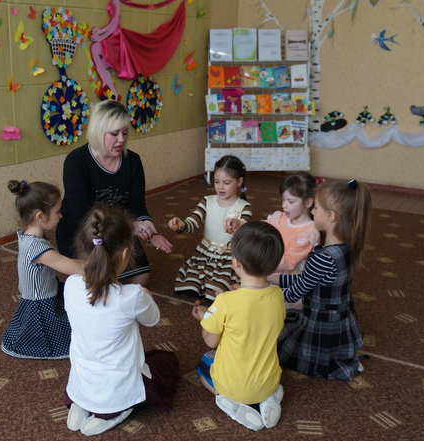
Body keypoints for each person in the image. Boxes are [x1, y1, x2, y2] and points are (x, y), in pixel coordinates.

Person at [64, 205, 179, 436]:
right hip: (116, 387)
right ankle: (114, 411)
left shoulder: (70, 284)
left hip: (82, 380)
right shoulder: (131, 296)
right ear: (126, 254)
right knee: (167, 362)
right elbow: (153, 319)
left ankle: (81, 403)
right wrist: (146, 296)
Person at [56, 99, 172, 285]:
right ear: (98, 131)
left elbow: (137, 204)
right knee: (98, 281)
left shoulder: (133, 161)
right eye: (114, 134)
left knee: (140, 277)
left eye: (125, 133)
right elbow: (81, 213)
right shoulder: (76, 161)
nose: (121, 139)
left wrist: (146, 225)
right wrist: (130, 226)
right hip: (83, 232)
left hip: (118, 230)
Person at [272, 178, 371, 381]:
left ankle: (334, 364)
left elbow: (294, 292)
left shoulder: (323, 257)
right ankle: (343, 358)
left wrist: (260, 291)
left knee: (278, 349)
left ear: (331, 216)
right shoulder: (346, 247)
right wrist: (271, 278)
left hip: (320, 325)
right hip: (338, 320)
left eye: (316, 207)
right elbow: (306, 279)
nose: (313, 211)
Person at [192, 221, 286, 431]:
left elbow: (210, 341)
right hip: (269, 381)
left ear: (235, 262)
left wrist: (206, 316)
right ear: (275, 264)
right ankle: (269, 398)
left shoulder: (225, 302)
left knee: (203, 365)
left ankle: (227, 399)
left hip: (233, 385)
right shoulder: (278, 296)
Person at [0, 180, 82, 360]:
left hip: (47, 293)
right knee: (76, 334)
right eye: (57, 211)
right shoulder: (37, 249)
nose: (61, 215)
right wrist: (102, 263)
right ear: (40, 216)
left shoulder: (27, 235)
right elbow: (74, 268)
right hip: (40, 307)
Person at [168, 155, 252, 300]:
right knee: (190, 282)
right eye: (216, 181)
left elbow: (245, 228)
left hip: (229, 255)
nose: (220, 187)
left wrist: (238, 224)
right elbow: (193, 222)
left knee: (220, 284)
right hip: (205, 252)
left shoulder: (244, 206)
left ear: (239, 182)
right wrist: (181, 225)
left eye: (226, 182)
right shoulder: (207, 201)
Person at [226, 171, 319, 275]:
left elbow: (288, 263)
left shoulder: (309, 233)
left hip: (281, 279)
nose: (284, 205)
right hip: (264, 270)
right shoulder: (279, 218)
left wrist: (253, 261)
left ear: (308, 202)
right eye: (283, 200)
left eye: (291, 201)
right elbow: (259, 229)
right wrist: (240, 224)